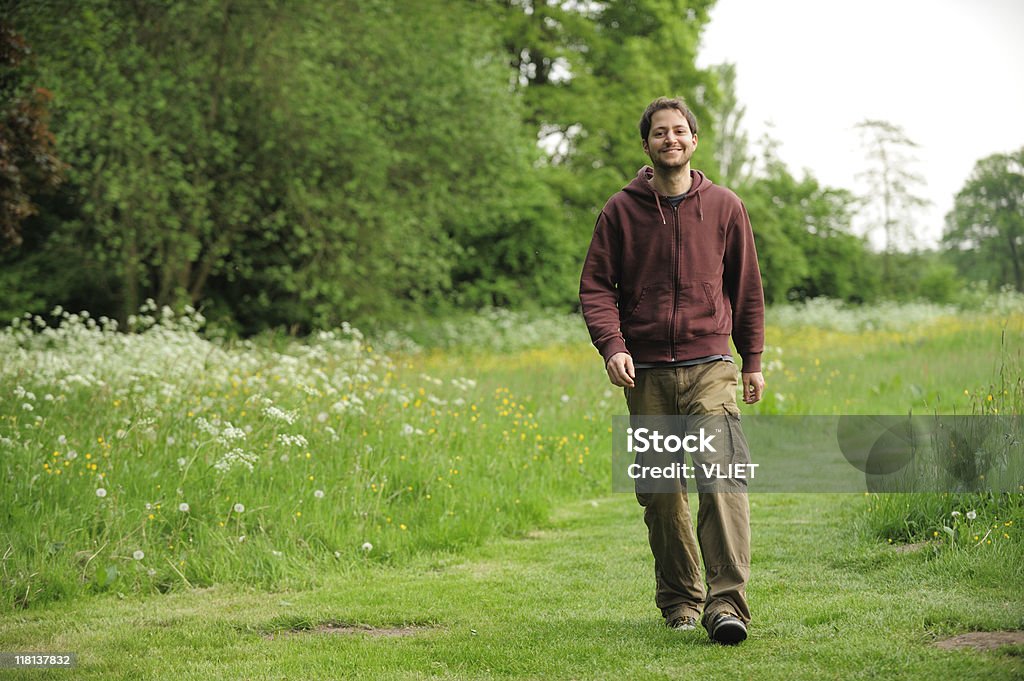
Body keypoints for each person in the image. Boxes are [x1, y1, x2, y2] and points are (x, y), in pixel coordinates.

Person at [579, 96, 765, 645]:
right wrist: (612, 345)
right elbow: (595, 288)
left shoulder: (726, 207)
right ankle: (682, 600)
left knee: (722, 478)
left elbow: (746, 289)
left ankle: (726, 604)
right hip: (648, 374)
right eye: (660, 133)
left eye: (679, 131)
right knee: (661, 494)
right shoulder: (620, 210)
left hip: (711, 364)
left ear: (694, 140)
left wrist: (751, 359)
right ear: (647, 145)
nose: (671, 140)